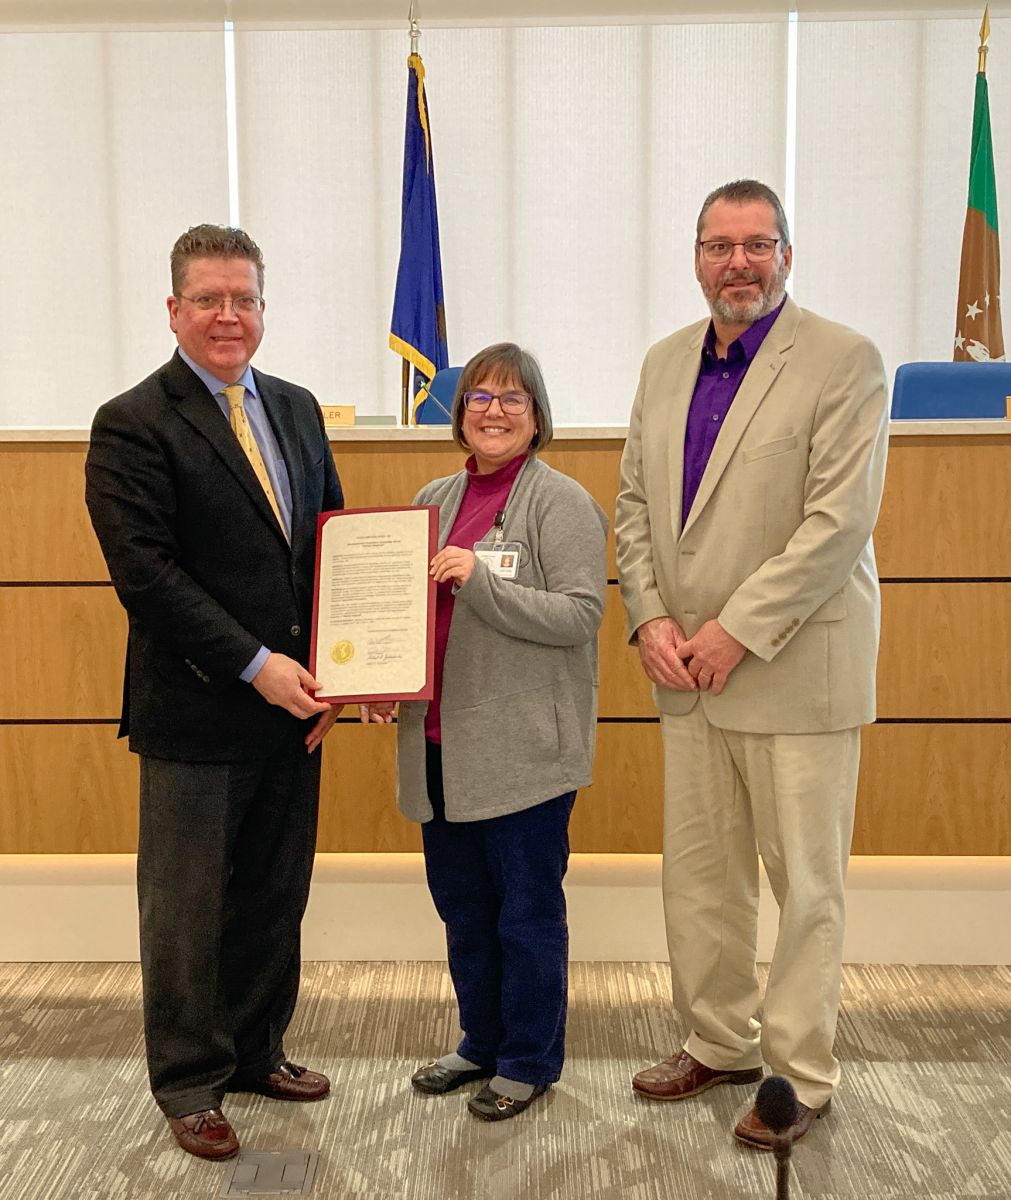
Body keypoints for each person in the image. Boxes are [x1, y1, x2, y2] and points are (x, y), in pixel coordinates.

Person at [615, 180, 889, 1149]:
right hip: (684, 673)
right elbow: (636, 510)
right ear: (695, 257)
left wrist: (734, 627)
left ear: (786, 255)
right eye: (720, 245)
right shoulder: (659, 367)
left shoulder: (845, 361)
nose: (739, 262)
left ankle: (799, 1072)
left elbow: (836, 525)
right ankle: (718, 1038)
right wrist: (648, 618)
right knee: (700, 878)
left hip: (789, 668)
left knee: (804, 883)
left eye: (758, 244)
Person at [85, 225, 344, 1161]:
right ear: (174, 311)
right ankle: (190, 1079)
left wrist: (335, 677)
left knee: (275, 894)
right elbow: (148, 578)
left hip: (296, 708)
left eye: (244, 299)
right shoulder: (131, 422)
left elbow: (330, 550)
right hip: (199, 709)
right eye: (208, 299)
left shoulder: (299, 409)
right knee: (187, 910)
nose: (228, 315)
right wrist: (259, 667)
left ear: (264, 310)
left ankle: (255, 1050)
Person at [362, 343, 607, 1121]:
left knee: (526, 914)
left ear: (536, 416)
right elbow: (405, 617)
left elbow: (580, 615)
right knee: (463, 910)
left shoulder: (559, 501)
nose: (493, 411)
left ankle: (529, 1060)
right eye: (478, 397)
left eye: (512, 398)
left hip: (523, 753)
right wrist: (376, 682)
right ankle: (479, 1042)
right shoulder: (430, 494)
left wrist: (483, 582)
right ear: (457, 411)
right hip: (437, 748)